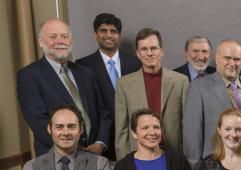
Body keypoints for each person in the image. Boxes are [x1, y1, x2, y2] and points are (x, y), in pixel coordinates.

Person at [17, 19, 111, 157]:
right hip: (56, 158)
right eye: (53, 37)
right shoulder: (29, 75)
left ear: (70, 41)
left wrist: (100, 143)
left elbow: (103, 113)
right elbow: (39, 122)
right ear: (41, 42)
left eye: (64, 36)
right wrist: (76, 151)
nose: (60, 41)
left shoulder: (85, 73)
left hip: (95, 155)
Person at [183, 39, 241, 164]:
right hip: (218, 163)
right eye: (227, 58)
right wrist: (194, 167)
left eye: (236, 59)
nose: (232, 63)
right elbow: (192, 134)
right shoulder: (199, 87)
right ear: (217, 58)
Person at [114, 28, 189, 160]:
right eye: (144, 49)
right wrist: (125, 164)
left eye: (153, 48)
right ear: (137, 53)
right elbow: (121, 130)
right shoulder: (124, 84)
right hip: (137, 156)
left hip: (173, 155)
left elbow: (187, 126)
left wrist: (185, 159)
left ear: (162, 51)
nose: (149, 53)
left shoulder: (180, 81)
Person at [76, 12, 142, 160]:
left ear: (119, 35)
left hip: (132, 137)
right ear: (95, 34)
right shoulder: (83, 66)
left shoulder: (135, 63)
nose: (109, 35)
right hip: (100, 140)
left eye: (113, 31)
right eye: (103, 30)